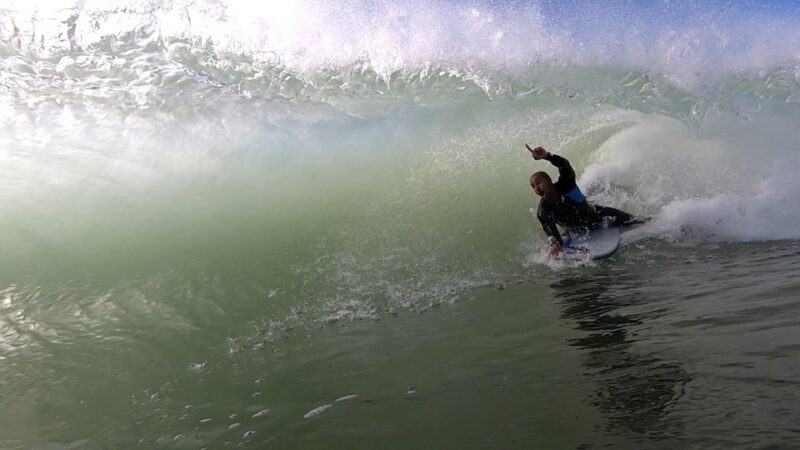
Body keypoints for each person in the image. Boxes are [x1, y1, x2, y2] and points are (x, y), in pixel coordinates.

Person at [527, 144, 642, 257]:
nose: (536, 188)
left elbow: (564, 165)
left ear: (549, 180)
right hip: (576, 232)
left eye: (539, 183)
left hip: (598, 217)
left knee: (637, 221)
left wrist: (547, 155)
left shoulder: (566, 185)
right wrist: (555, 243)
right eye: (533, 186)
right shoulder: (543, 211)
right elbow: (550, 230)